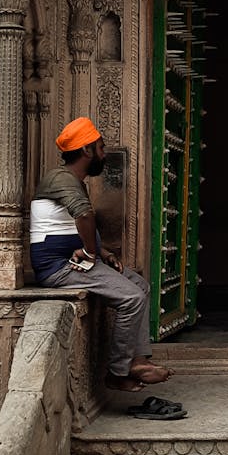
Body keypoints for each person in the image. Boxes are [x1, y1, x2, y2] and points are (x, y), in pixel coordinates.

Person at [30, 117, 172, 392]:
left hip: (73, 261)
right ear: (86, 151)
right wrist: (89, 253)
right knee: (131, 298)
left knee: (141, 285)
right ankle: (118, 372)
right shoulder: (61, 178)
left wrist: (102, 252)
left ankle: (139, 359)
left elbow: (75, 223)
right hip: (58, 267)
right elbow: (84, 215)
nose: (104, 154)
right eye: (100, 148)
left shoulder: (71, 180)